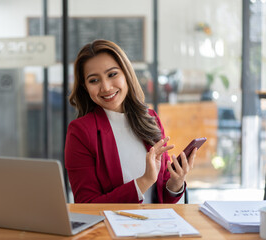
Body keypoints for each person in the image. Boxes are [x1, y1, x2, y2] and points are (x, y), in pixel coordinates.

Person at [65, 39, 197, 203]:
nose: (105, 87)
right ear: (85, 87)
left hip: (156, 225)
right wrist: (144, 181)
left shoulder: (150, 118)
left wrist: (176, 183)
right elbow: (86, 204)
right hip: (111, 227)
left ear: (126, 74)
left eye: (112, 74)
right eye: (94, 80)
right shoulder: (81, 131)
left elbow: (161, 195)